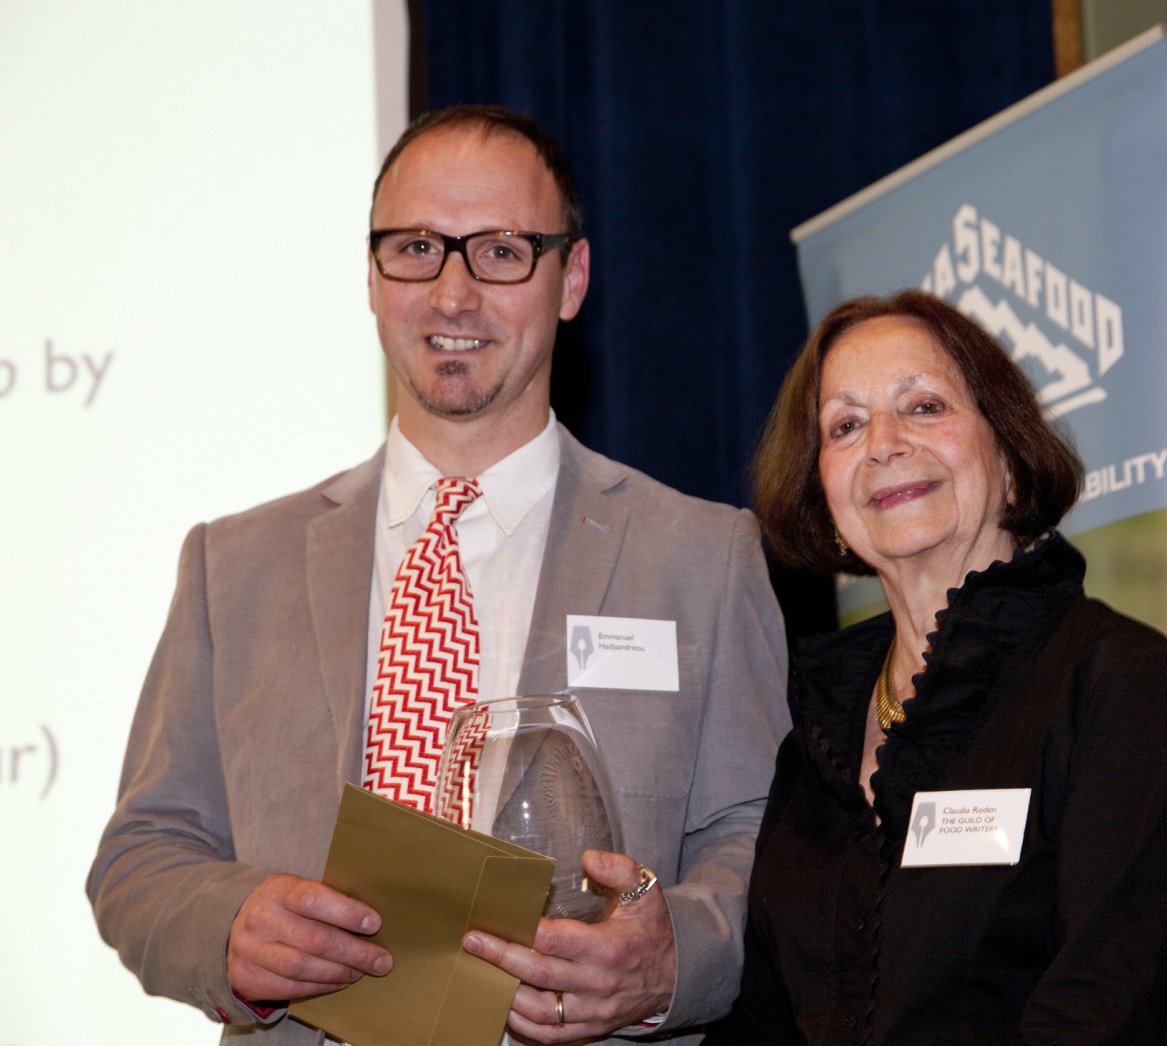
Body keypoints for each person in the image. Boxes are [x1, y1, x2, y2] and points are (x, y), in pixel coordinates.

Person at [87, 105, 789, 1046]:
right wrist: (229, 927)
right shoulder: (233, 564)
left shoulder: (703, 556)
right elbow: (141, 856)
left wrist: (673, 958)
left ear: (570, 278)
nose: (453, 295)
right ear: (372, 278)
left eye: (500, 251)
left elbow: (768, 843)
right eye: (416, 247)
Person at [707, 291, 1167, 1044]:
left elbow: (1110, 1012)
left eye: (924, 407)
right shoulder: (817, 736)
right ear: (825, 500)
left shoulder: (1123, 688)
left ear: (1013, 459)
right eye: (846, 425)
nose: (884, 443)